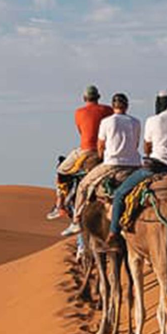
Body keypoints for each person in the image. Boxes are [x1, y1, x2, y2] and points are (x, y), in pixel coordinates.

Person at [104, 88, 167, 251]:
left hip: (155, 169)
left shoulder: (152, 121)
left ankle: (114, 233)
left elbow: (147, 149)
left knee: (120, 194)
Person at [60, 93, 143, 237]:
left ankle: (76, 220)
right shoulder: (136, 122)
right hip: (135, 165)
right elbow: (136, 144)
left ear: (113, 106)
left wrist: (101, 156)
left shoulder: (107, 122)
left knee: (83, 186)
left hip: (112, 164)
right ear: (127, 106)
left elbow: (100, 146)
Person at [48, 85, 114, 220]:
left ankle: (60, 205)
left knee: (61, 170)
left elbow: (81, 132)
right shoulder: (108, 110)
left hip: (87, 150)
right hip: (107, 151)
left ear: (84, 98)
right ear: (98, 97)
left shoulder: (79, 112)